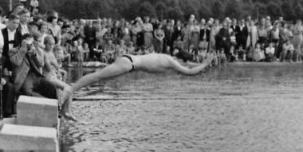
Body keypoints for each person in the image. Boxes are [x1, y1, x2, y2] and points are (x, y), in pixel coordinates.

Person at [65, 52, 216, 100]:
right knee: (97, 76)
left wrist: (200, 66)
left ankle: (70, 95)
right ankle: (70, 89)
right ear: (181, 60)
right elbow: (189, 72)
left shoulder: (168, 58)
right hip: (129, 64)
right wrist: (206, 62)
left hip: (128, 61)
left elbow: (188, 68)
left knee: (99, 79)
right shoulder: (170, 62)